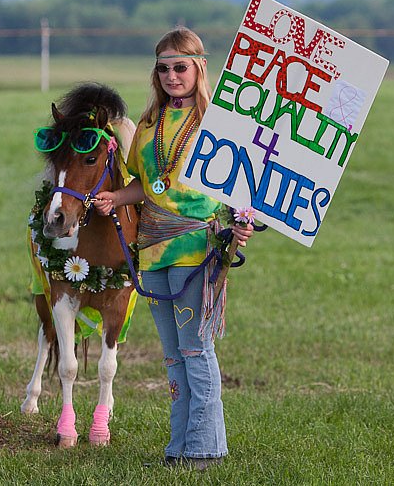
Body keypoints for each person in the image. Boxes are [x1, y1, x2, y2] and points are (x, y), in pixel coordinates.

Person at [94, 27, 253, 470]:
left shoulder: (219, 123)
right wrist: (116, 198)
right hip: (152, 254)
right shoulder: (146, 126)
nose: (170, 76)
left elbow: (244, 190)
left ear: (199, 68)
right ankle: (180, 447)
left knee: (196, 352)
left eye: (180, 67)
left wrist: (241, 226)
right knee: (172, 357)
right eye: (162, 68)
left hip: (197, 251)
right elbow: (145, 187)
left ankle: (203, 449)